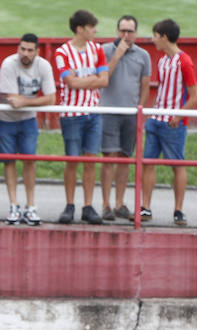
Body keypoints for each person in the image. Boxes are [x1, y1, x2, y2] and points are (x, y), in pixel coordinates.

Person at [141, 19, 197, 227]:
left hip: (174, 124)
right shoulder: (162, 61)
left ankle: (178, 209)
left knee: (177, 164)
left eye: (155, 36)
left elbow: (194, 96)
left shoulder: (185, 61)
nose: (152, 40)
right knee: (147, 162)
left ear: (164, 37)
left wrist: (178, 114)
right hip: (156, 119)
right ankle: (145, 206)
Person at [54, 9, 109, 225]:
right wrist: (92, 78)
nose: (95, 31)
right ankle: (70, 205)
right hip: (71, 114)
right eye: (91, 27)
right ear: (80, 29)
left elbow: (104, 80)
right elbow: (70, 82)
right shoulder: (62, 52)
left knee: (90, 160)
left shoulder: (98, 49)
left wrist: (83, 80)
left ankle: (87, 205)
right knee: (72, 160)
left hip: (93, 113)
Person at [0, 34, 54, 225]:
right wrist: (34, 102)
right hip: (5, 119)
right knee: (9, 162)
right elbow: (13, 100)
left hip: (28, 119)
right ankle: (14, 205)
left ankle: (31, 206)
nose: (25, 54)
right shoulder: (8, 64)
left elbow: (51, 99)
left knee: (30, 160)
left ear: (37, 51)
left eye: (29, 50)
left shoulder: (43, 65)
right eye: (22, 49)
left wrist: (26, 102)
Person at [97, 16, 152, 222]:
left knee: (124, 157)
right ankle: (106, 204)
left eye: (130, 31)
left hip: (130, 113)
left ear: (136, 33)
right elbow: (102, 79)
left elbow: (145, 85)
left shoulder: (143, 55)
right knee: (108, 157)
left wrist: (140, 110)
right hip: (108, 110)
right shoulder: (104, 51)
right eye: (122, 31)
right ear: (116, 31)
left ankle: (120, 203)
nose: (126, 35)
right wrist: (117, 55)